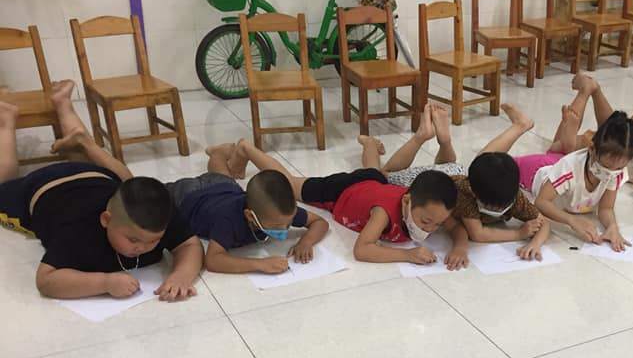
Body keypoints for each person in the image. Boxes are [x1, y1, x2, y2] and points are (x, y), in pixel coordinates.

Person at [0, 82, 202, 300]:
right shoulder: (77, 230)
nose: (143, 248)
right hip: (43, 187)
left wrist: (181, 276)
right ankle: (6, 121)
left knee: (130, 183)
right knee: (4, 185)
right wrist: (104, 283)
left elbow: (190, 244)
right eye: (133, 240)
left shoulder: (159, 210)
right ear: (106, 219)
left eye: (154, 241)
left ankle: (65, 108)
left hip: (95, 176)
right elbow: (46, 280)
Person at [359, 102, 552, 261]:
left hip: (455, 172)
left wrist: (535, 244)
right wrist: (519, 234)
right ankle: (383, 142)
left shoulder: (511, 194)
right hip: (430, 180)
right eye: (491, 206)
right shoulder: (466, 197)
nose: (497, 209)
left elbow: (543, 222)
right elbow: (478, 234)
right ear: (475, 194)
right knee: (380, 175)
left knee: (485, 162)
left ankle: (446, 141)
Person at [167, 140, 329, 275]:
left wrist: (306, 242)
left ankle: (218, 153)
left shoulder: (281, 210)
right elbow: (213, 260)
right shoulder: (228, 220)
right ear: (250, 216)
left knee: (221, 175)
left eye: (289, 223)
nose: (284, 229)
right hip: (188, 197)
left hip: (224, 187)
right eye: (277, 226)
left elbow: (320, 222)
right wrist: (260, 264)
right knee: (162, 198)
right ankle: (217, 155)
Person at [523, 111, 633, 251]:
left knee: (559, 153)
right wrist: (571, 220)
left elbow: (606, 208)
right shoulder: (569, 168)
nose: (611, 172)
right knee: (508, 165)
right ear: (591, 148)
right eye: (606, 166)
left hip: (561, 169)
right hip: (535, 172)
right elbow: (541, 202)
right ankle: (521, 126)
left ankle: (567, 138)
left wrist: (612, 226)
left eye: (619, 168)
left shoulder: (616, 172)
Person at [302, 165, 464, 267]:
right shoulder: (383, 213)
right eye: (425, 221)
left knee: (371, 170)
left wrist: (460, 249)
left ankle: (370, 145)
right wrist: (407, 254)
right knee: (294, 187)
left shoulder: (434, 210)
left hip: (376, 181)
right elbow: (361, 250)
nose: (430, 229)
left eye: (438, 224)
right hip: (342, 190)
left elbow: (457, 227)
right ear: (406, 202)